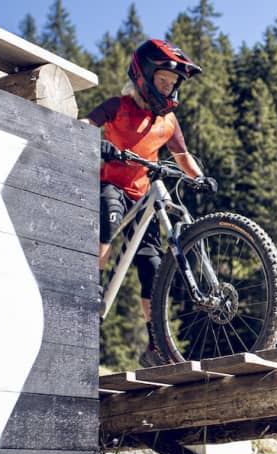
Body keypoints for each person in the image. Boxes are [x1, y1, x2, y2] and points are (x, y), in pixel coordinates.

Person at [85, 39, 216, 367]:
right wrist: (97, 144)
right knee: (108, 224)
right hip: (110, 184)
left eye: (173, 84)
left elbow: (182, 155)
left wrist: (199, 178)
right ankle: (88, 292)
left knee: (153, 267)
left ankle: (155, 346)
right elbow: (85, 127)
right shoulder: (118, 106)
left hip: (141, 194)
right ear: (144, 75)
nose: (170, 88)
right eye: (164, 81)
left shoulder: (168, 121)